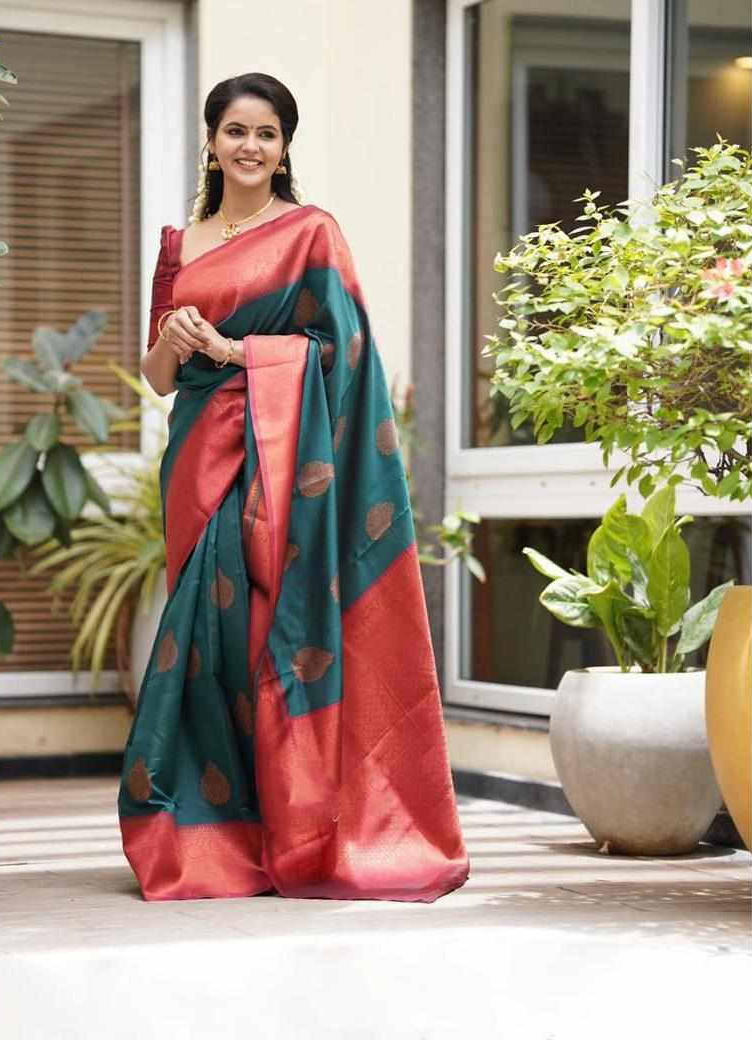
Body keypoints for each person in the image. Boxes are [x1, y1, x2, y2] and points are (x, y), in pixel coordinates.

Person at [119, 72, 469, 902]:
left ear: (283, 150)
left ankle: (297, 824)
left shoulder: (312, 234)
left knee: (270, 634)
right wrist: (176, 338)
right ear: (212, 143)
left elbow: (345, 353)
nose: (251, 146)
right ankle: (214, 832)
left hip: (283, 462)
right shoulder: (180, 246)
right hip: (199, 461)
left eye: (267, 133)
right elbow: (159, 377)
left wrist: (238, 353)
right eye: (236, 131)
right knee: (206, 643)